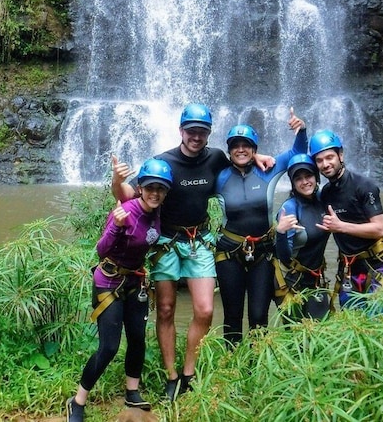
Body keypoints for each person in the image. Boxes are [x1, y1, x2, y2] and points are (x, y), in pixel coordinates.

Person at [111, 103, 274, 400]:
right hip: (167, 243)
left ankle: (190, 372)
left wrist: (259, 155)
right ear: (181, 131)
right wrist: (116, 180)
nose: (196, 137)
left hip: (199, 240)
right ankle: (172, 376)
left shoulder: (215, 159)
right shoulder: (163, 162)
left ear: (208, 134)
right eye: (191, 131)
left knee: (205, 309)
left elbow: (241, 161)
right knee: (166, 309)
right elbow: (129, 196)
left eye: (202, 132)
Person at [67, 158, 174, 422]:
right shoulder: (126, 211)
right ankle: (77, 400)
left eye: (161, 189)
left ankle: (132, 391)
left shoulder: (156, 210)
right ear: (140, 188)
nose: (155, 193)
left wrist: (117, 181)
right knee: (109, 347)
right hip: (110, 282)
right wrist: (116, 226)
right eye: (150, 187)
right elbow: (101, 250)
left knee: (138, 338)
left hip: (135, 282)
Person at [213, 108, 306, 345]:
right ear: (229, 150)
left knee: (258, 316)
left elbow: (297, 152)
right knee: (232, 316)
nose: (241, 149)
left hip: (263, 253)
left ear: (254, 149)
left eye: (246, 145)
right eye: (235, 145)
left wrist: (301, 130)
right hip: (229, 252)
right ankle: (231, 369)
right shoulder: (219, 176)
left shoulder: (269, 170)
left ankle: (255, 369)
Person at [308, 129, 383, 310]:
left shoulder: (364, 186)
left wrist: (340, 226)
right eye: (319, 160)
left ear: (340, 155)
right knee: (352, 327)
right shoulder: (326, 193)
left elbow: (379, 229)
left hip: (376, 265)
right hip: (349, 269)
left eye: (329, 157)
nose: (325, 164)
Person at [273, 153, 331, 322]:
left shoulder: (322, 199)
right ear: (292, 183)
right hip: (291, 279)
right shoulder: (290, 208)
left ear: (316, 176)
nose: (305, 182)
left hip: (315, 278)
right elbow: (284, 257)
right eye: (298, 178)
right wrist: (281, 232)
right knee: (296, 336)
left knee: (321, 330)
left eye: (308, 176)